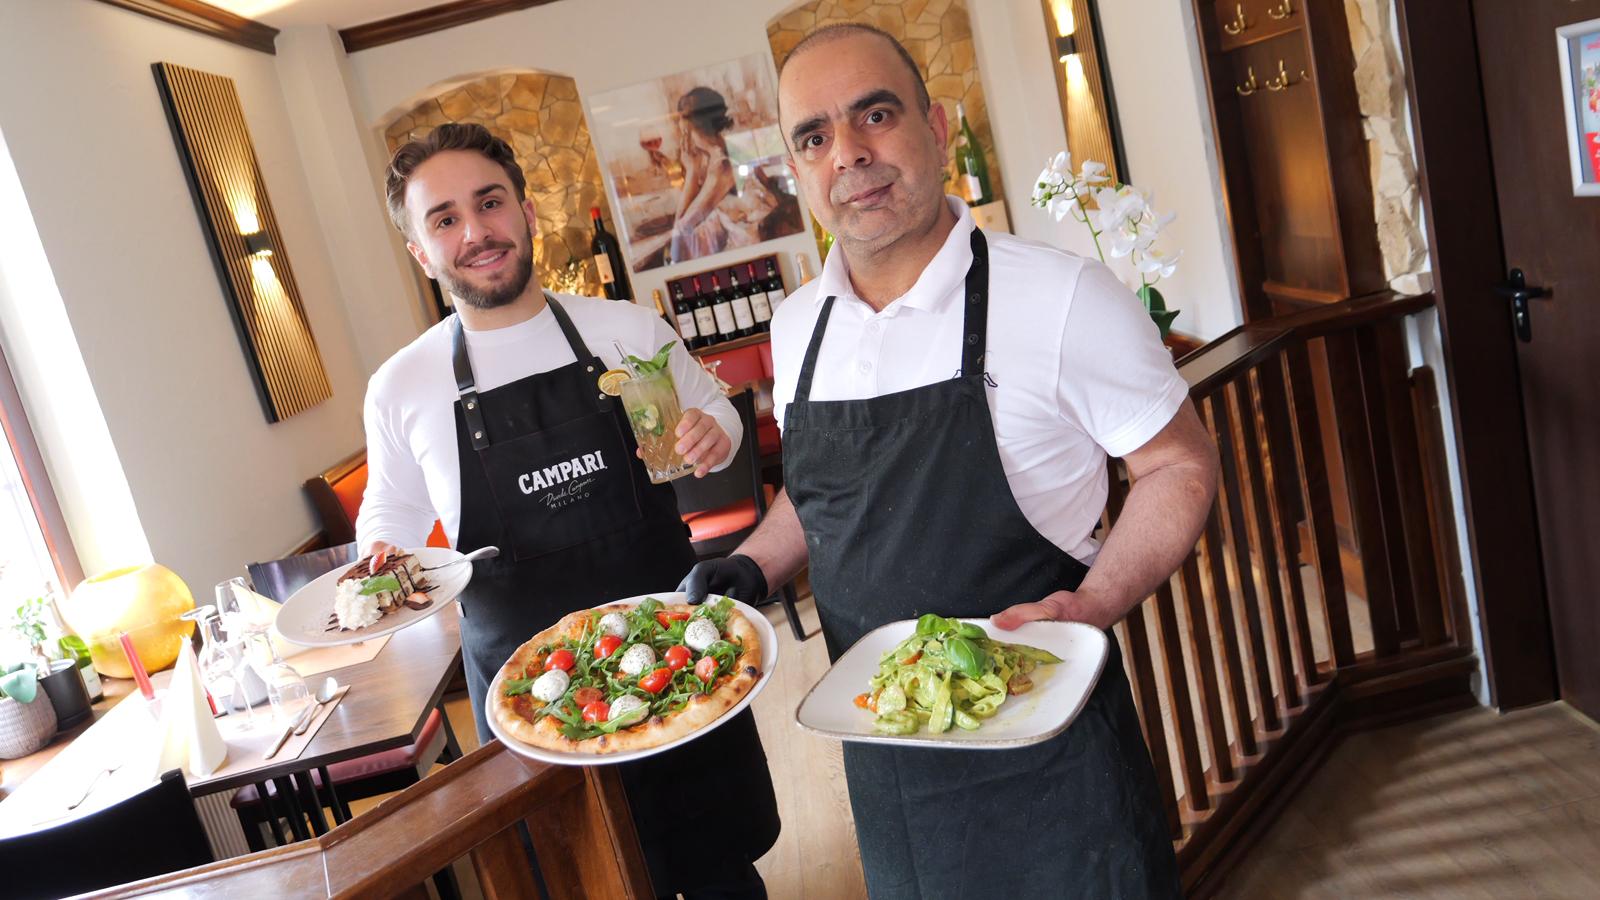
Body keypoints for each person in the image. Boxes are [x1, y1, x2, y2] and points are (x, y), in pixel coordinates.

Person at [681, 24, 1218, 899]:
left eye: (876, 115)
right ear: (793, 168)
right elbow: (819, 498)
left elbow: (1179, 467)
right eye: (814, 137)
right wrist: (747, 564)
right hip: (890, 765)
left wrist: (1093, 603)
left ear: (933, 127)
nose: (849, 154)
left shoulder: (1062, 297)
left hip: (1052, 753)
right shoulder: (799, 326)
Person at [363, 123, 779, 898]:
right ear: (421, 252)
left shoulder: (622, 329)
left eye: (489, 203)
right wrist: (378, 574)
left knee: (720, 868)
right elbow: (387, 517)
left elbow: (716, 412)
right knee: (586, 878)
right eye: (445, 219)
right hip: (531, 694)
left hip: (677, 653)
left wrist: (710, 435)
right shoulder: (404, 384)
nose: (476, 232)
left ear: (524, 211)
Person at [669, 86, 776, 260]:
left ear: (688, 128)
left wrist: (692, 172)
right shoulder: (731, 152)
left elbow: (680, 233)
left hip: (755, 256)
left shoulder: (721, 166)